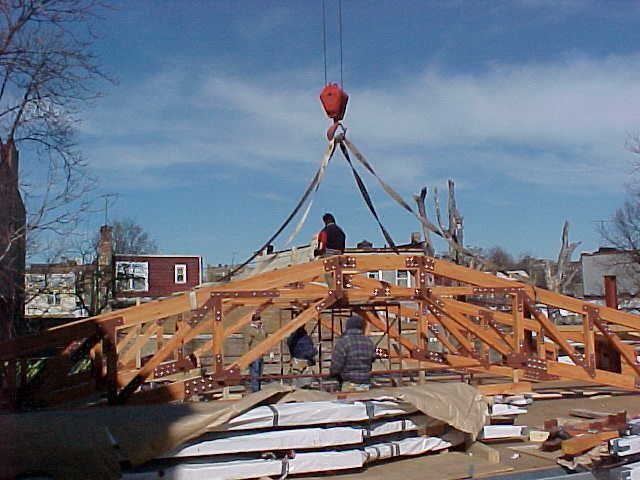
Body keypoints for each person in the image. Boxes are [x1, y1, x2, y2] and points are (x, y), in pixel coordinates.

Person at [330, 315, 376, 392]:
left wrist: (333, 374)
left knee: (348, 403)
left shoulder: (342, 343)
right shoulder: (369, 342)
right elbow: (373, 358)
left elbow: (336, 365)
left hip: (348, 382)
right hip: (365, 382)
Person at [245, 313, 267, 392]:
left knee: (260, 373)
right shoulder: (251, 330)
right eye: (257, 320)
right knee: (255, 372)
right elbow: (247, 343)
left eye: (259, 320)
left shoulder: (261, 329)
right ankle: (255, 390)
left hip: (261, 354)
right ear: (254, 321)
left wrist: (262, 329)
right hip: (254, 355)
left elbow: (265, 338)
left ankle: (258, 388)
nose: (259, 322)